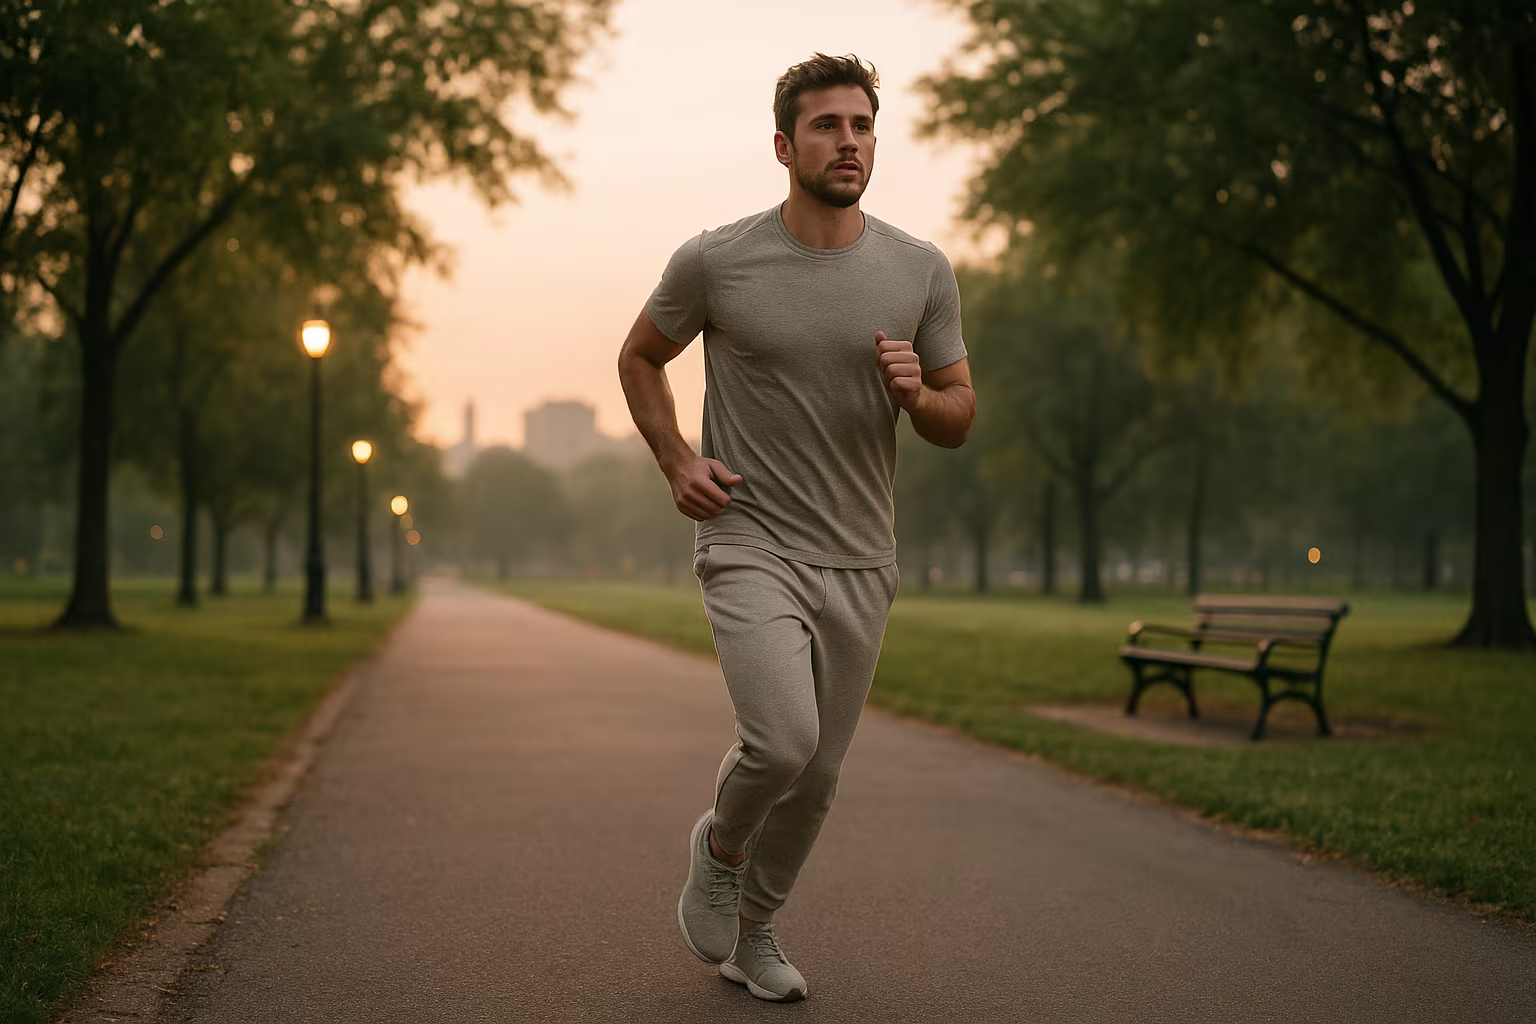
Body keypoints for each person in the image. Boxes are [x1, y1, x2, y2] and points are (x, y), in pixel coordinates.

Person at [616, 52, 975, 1003]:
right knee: (782, 739)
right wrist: (677, 462)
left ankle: (755, 933)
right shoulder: (717, 260)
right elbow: (640, 358)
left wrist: (919, 395)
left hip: (862, 555)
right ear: (784, 145)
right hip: (750, 537)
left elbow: (959, 413)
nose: (848, 141)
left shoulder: (918, 269)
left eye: (861, 125)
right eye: (827, 125)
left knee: (817, 776)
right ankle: (721, 846)